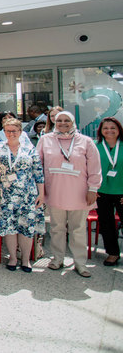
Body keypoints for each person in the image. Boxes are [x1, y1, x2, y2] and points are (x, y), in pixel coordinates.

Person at [37, 111, 101, 277]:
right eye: (59, 121)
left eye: (67, 120)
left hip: (79, 193)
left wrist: (93, 188)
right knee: (57, 228)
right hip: (55, 191)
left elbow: (95, 168)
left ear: (73, 122)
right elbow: (38, 165)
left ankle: (80, 263)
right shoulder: (46, 140)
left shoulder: (85, 141)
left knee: (78, 229)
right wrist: (40, 191)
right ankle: (57, 259)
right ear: (54, 122)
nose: (63, 123)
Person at [0, 118, 45, 273]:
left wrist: (42, 194)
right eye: (8, 131)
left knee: (26, 228)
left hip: (27, 195)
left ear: (20, 132)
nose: (11, 134)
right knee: (9, 227)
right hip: (5, 194)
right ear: (3, 132)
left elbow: (38, 173)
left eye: (14, 131)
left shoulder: (30, 149)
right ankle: (12, 257)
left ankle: (25, 259)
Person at [95, 117, 123, 266]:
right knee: (106, 223)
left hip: (122, 191)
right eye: (106, 128)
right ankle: (112, 253)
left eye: (113, 128)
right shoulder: (96, 146)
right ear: (101, 131)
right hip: (102, 191)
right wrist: (93, 188)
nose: (109, 131)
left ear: (119, 130)